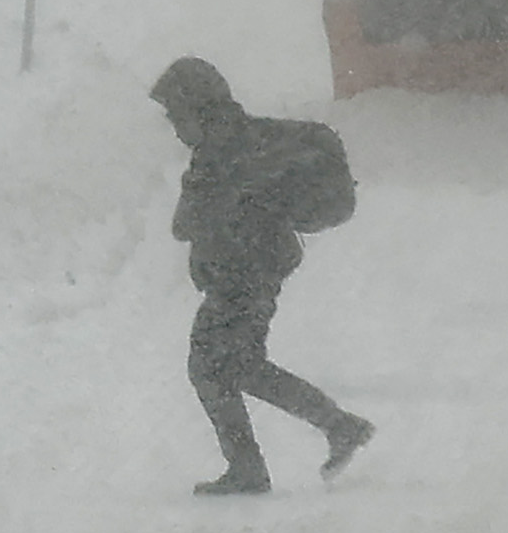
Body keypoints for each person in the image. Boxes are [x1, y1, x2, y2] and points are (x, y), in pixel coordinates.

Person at [149, 57, 373, 495]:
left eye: (177, 115)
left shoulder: (222, 150)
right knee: (240, 367)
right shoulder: (240, 140)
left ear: (199, 108)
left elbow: (185, 224)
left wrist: (216, 206)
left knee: (210, 369)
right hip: (251, 274)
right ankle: (336, 427)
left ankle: (253, 467)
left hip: (242, 276)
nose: (175, 127)